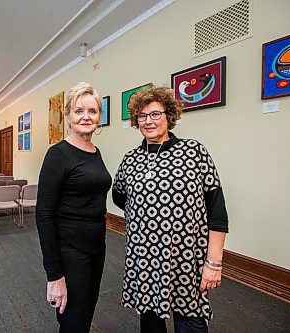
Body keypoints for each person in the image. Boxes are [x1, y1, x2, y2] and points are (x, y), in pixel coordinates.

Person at [112, 85, 229, 333]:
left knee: (191, 324)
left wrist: (214, 262)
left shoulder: (194, 152)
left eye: (155, 114)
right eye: (142, 116)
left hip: (186, 258)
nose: (148, 121)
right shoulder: (130, 159)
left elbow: (217, 210)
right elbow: (120, 196)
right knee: (150, 323)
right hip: (144, 258)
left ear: (169, 116)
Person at [36, 82, 112, 333]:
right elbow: (44, 215)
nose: (86, 117)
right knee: (73, 321)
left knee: (86, 313)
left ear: (100, 116)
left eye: (92, 111)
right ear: (68, 115)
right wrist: (54, 275)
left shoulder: (95, 151)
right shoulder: (58, 154)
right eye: (79, 111)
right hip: (70, 250)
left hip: (96, 246)